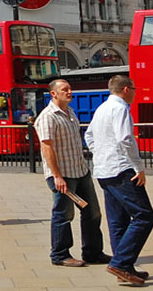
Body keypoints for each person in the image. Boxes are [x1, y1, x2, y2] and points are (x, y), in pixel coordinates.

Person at [85, 75, 153, 287]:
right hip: (122, 170)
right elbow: (125, 138)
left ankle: (124, 267)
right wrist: (138, 166)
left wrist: (101, 154)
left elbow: (88, 136)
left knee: (118, 221)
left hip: (104, 171)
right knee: (144, 216)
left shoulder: (101, 109)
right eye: (134, 89)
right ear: (126, 89)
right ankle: (121, 263)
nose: (135, 92)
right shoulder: (121, 108)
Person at [34, 79, 108, 267]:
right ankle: (60, 254)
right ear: (53, 94)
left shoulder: (70, 112)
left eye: (69, 88)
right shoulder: (48, 116)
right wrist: (57, 176)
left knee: (93, 212)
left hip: (80, 171)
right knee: (64, 214)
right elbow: (47, 147)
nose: (69, 92)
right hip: (63, 175)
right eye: (64, 89)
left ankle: (93, 252)